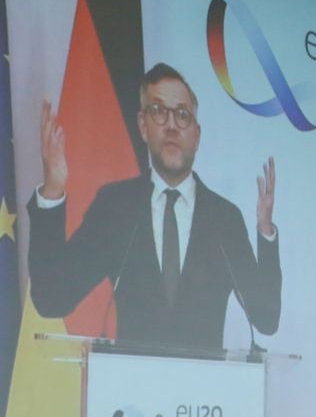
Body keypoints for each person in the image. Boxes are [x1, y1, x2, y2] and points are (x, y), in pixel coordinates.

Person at [27, 62, 281, 351]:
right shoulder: (116, 207)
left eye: (182, 115)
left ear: (196, 136)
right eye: (159, 112)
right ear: (143, 126)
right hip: (129, 393)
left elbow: (266, 318)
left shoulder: (223, 218)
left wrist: (265, 230)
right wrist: (52, 191)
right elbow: (51, 299)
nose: (172, 125)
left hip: (206, 393)